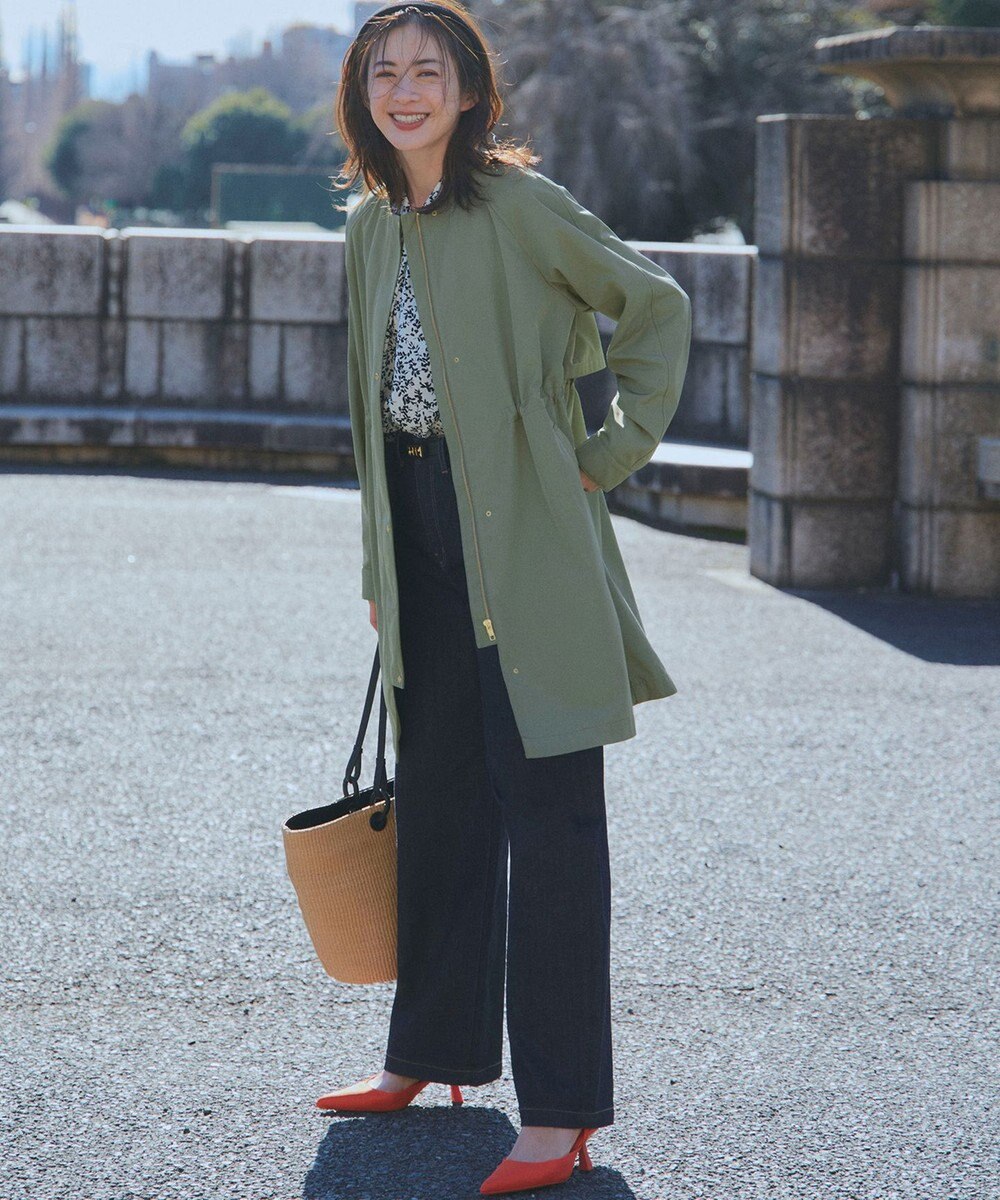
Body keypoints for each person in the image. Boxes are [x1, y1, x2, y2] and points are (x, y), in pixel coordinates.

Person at [316, 2, 692, 1194]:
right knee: (437, 804)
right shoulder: (368, 226)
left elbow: (654, 306)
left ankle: (563, 1112)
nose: (405, 89)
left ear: (470, 91)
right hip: (417, 534)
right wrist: (379, 570)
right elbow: (369, 416)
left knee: (553, 824)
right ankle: (427, 1052)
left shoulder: (521, 206)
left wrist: (606, 456)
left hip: (526, 531)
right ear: (361, 95)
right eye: (384, 71)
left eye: (428, 70)